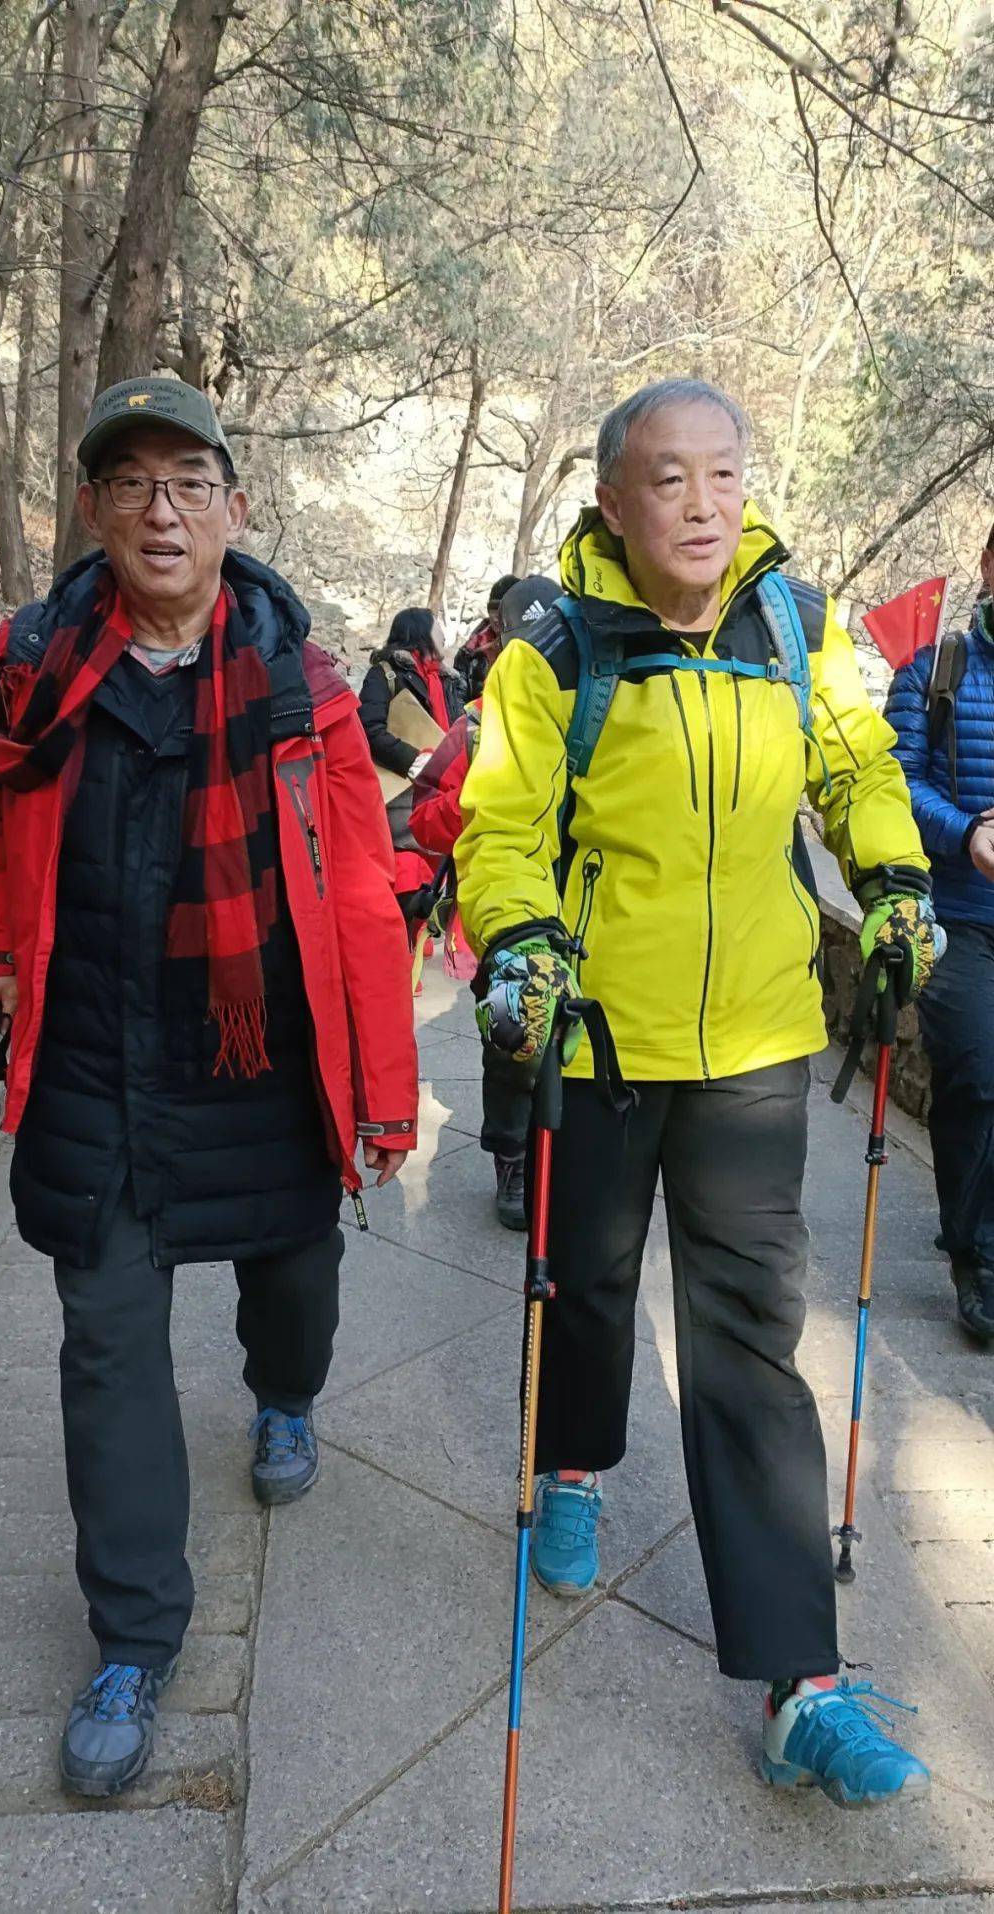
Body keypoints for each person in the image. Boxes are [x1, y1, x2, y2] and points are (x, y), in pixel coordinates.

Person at [456, 378, 941, 1806]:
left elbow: (858, 765)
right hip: (604, 1042)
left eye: (725, 473)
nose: (705, 502)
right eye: (670, 478)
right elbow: (499, 822)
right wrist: (523, 935)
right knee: (589, 1286)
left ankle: (804, 1683)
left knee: (747, 1345)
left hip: (753, 1050)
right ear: (612, 500)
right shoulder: (552, 648)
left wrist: (897, 877)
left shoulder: (796, 626)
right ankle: (574, 1469)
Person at [0, 376, 417, 1799]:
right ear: (92, 509)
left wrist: (384, 1096)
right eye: (131, 482)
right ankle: (136, 1638)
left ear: (233, 511)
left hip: (260, 1064)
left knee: (294, 1281)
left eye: (189, 482)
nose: (161, 509)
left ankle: (285, 1390)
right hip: (97, 1059)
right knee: (105, 1348)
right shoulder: (29, 662)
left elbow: (364, 904)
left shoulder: (299, 687)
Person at [412, 576, 560, 1228]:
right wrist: (477, 800)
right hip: (492, 914)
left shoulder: (598, 717)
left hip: (578, 916)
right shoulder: (473, 725)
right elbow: (423, 819)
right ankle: (512, 1160)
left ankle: (561, 1158)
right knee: (509, 1036)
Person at [886, 528, 994, 1340]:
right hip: (960, 915)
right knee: (977, 1079)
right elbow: (897, 782)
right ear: (989, 567)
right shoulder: (935, 672)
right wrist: (966, 834)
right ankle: (978, 1260)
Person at [358, 607, 465, 927]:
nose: (444, 634)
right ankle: (406, 937)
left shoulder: (448, 680)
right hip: (402, 788)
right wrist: (411, 760)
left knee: (442, 853)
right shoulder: (385, 673)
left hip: (443, 782)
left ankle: (426, 928)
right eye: (437, 628)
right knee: (409, 858)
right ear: (420, 632)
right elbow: (369, 728)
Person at [454, 572, 521, 699]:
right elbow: (458, 701)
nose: (496, 618)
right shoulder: (469, 653)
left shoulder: (532, 647)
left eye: (501, 610)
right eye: (492, 611)